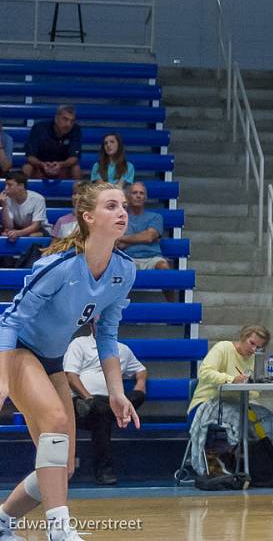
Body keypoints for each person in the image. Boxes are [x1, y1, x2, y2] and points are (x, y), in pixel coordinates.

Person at [0, 181, 137, 541]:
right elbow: (9, 320)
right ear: (88, 217)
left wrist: (117, 392)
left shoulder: (125, 270)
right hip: (17, 351)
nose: (121, 211)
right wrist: (2, 380)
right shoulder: (58, 266)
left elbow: (107, 335)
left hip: (51, 359)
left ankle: (2, 519)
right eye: (111, 206)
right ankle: (58, 530)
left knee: (64, 466)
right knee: (57, 420)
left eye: (123, 205)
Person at [185, 324, 272, 479]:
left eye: (259, 347)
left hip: (237, 403)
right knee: (239, 417)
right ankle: (236, 462)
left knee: (265, 417)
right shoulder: (223, 348)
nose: (253, 350)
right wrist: (231, 379)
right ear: (243, 338)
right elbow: (204, 372)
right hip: (206, 401)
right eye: (252, 343)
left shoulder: (254, 360)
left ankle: (265, 466)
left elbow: (255, 393)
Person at [64, 322, 146, 485]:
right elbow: (70, 376)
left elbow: (140, 370)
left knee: (132, 399)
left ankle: (111, 411)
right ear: (91, 326)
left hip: (109, 402)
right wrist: (88, 398)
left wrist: (140, 386)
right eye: (99, 323)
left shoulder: (121, 349)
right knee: (101, 413)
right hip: (81, 402)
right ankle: (104, 470)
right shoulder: (79, 344)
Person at [114, 182, 167, 271]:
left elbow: (149, 237)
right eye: (134, 193)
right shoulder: (121, 219)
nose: (138, 196)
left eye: (141, 193)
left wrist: (122, 238)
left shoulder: (156, 217)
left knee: (163, 267)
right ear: (128, 197)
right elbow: (119, 245)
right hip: (129, 258)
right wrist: (142, 236)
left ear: (145, 198)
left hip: (152, 258)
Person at [1, 173, 49, 267]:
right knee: (5, 236)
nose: (6, 188)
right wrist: (4, 205)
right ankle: (8, 267)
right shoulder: (7, 200)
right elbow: (9, 226)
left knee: (34, 236)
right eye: (5, 185)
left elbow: (36, 225)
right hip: (17, 228)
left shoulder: (38, 199)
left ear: (21, 186)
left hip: (40, 229)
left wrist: (18, 233)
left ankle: (23, 267)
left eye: (10, 185)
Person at [22, 108, 81, 182]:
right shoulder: (39, 128)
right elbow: (30, 157)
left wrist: (61, 165)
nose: (68, 124)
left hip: (62, 167)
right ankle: (23, 192)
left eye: (72, 121)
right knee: (27, 168)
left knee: (76, 169)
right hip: (40, 167)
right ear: (56, 119)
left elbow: (74, 158)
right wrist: (42, 164)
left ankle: (80, 193)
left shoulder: (75, 130)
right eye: (65, 119)